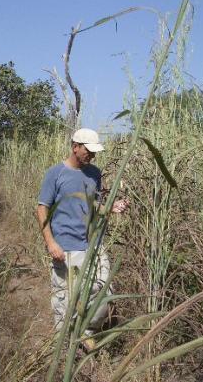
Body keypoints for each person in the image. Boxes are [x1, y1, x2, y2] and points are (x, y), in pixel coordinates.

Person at [36, 128, 128, 351]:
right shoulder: (55, 173)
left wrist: (111, 208)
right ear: (75, 146)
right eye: (88, 151)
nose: (92, 156)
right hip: (65, 246)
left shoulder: (95, 173)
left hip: (92, 244)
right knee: (64, 300)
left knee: (105, 291)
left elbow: (92, 205)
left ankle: (85, 330)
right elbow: (41, 209)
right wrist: (51, 242)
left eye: (94, 152)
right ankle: (64, 348)